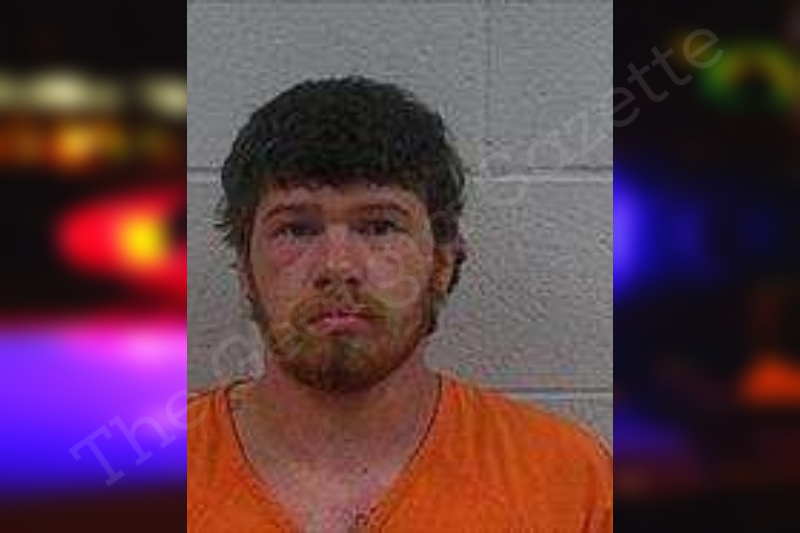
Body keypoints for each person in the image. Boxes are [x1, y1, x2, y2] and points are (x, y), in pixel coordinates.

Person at [187, 76, 612, 532]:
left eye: (379, 227)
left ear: (442, 262)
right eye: (297, 229)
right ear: (245, 267)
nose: (338, 265)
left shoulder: (567, 481)